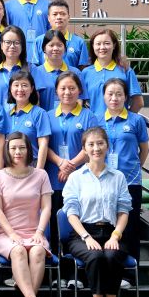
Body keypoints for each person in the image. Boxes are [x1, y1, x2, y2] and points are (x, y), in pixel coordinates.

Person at [62, 126, 131, 297]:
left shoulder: (118, 177)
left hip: (111, 232)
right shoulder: (76, 177)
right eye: (91, 144)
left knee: (111, 255)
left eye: (100, 143)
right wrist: (86, 237)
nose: (96, 148)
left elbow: (123, 211)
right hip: (82, 234)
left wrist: (116, 236)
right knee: (95, 256)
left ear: (107, 146)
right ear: (84, 149)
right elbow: (71, 213)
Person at [0, 132, 53, 297]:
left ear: (29, 150)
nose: (18, 152)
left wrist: (39, 232)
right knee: (18, 251)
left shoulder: (41, 175)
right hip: (5, 234)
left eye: (22, 148)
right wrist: (12, 234)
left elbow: (46, 207)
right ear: (7, 151)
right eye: (13, 148)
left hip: (34, 232)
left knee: (38, 251)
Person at [46, 72, 100, 250]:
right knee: (54, 222)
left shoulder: (88, 116)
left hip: (80, 179)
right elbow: (43, 145)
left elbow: (92, 146)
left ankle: (74, 264)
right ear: (56, 91)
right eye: (63, 88)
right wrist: (60, 162)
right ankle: (56, 262)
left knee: (77, 223)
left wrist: (70, 166)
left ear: (79, 91)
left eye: (72, 88)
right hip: (54, 177)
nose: (67, 92)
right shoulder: (48, 115)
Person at [101, 78, 149, 269]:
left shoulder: (136, 120)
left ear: (126, 97)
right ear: (104, 97)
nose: (114, 98)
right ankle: (109, 269)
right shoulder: (97, 120)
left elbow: (144, 150)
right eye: (110, 94)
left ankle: (130, 273)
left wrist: (135, 168)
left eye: (119, 94)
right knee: (108, 226)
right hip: (104, 181)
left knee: (131, 227)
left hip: (130, 181)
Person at [82, 28, 144, 116]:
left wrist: (126, 119)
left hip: (119, 123)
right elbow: (80, 101)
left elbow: (138, 102)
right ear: (93, 46)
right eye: (98, 44)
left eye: (107, 43)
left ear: (114, 45)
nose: (102, 47)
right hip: (94, 123)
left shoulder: (125, 70)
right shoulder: (86, 73)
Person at [32, 30, 88, 112]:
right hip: (44, 118)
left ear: (65, 48)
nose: (55, 48)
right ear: (44, 48)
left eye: (59, 45)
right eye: (51, 45)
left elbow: (79, 100)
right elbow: (34, 103)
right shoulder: (36, 73)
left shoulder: (76, 73)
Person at [7, 71, 51, 169]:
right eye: (16, 85)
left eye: (24, 85)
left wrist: (39, 171)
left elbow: (43, 144)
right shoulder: (7, 115)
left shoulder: (39, 113)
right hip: (10, 166)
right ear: (10, 89)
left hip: (32, 166)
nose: (20, 89)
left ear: (31, 89)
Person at [31, 0, 89, 69]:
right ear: (48, 18)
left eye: (63, 14)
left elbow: (83, 69)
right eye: (55, 14)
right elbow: (34, 68)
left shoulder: (79, 42)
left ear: (68, 17)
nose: (58, 17)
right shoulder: (38, 41)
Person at [0, 25, 31, 108]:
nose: (12, 46)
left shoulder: (31, 69)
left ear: (22, 46)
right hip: (1, 115)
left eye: (16, 43)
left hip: (26, 115)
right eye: (8, 42)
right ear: (1, 45)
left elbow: (36, 99)